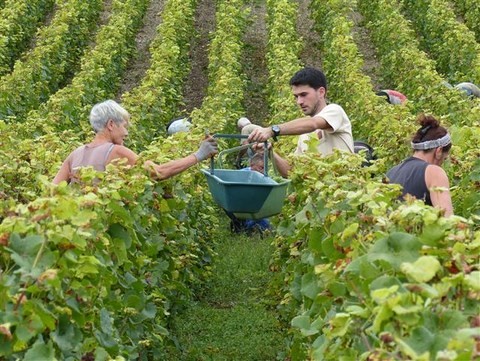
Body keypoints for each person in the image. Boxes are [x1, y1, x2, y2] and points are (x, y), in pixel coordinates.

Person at [53, 100, 217, 184]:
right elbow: (159, 172)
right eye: (124, 126)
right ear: (111, 124)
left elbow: (52, 193)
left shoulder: (74, 155)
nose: (126, 133)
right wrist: (199, 155)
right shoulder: (116, 152)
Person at [247, 67, 354, 159]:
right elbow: (291, 171)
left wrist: (272, 130)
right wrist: (269, 152)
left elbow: (313, 124)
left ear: (321, 92)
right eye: (296, 96)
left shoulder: (335, 111)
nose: (299, 102)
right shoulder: (304, 134)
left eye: (304, 95)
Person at [386, 114, 453, 217]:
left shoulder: (391, 172)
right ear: (439, 151)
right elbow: (447, 222)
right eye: (444, 159)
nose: (442, 164)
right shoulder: (434, 172)